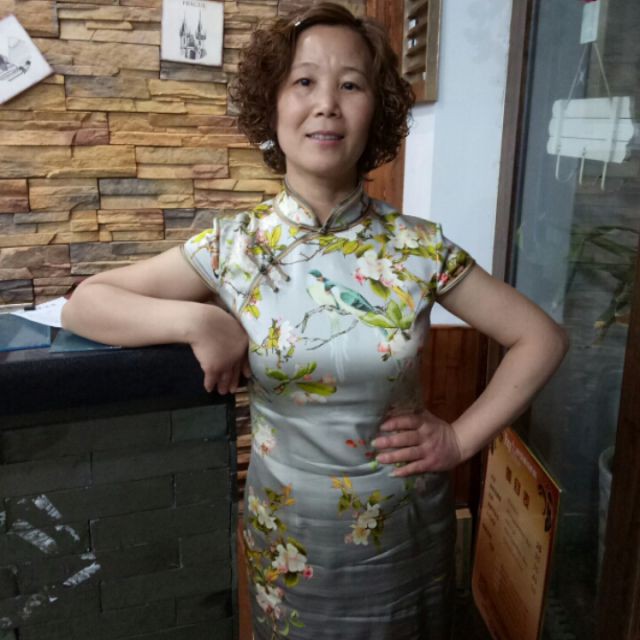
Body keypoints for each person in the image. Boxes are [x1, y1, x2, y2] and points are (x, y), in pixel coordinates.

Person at [62, 3, 568, 638]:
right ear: (272, 107)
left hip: (403, 534)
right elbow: (85, 302)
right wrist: (199, 323)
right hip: (290, 540)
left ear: (375, 111)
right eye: (304, 81)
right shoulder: (235, 247)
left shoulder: (419, 248)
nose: (326, 103)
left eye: (350, 85)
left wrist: (460, 441)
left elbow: (541, 338)